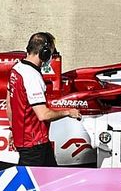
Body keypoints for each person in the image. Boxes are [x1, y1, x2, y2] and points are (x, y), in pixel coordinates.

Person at [6, 32, 81, 166]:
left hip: (33, 141)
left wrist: (13, 130)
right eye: (50, 53)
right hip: (34, 144)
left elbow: (9, 105)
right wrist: (68, 112)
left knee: (52, 176)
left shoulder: (16, 69)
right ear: (44, 53)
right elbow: (43, 115)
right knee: (29, 179)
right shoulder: (32, 77)